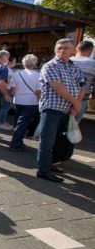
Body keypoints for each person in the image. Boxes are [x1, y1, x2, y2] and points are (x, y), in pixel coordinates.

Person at [37, 39, 85, 182]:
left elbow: (82, 86)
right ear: (55, 50)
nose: (62, 50)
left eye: (66, 48)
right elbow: (57, 86)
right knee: (47, 141)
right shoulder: (50, 65)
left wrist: (75, 105)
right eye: (59, 48)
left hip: (67, 110)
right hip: (52, 109)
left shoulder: (74, 66)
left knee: (60, 141)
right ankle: (43, 171)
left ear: (73, 50)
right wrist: (76, 103)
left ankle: (50, 164)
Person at [8, 54, 41, 151]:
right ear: (35, 63)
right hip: (31, 102)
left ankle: (18, 142)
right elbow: (38, 92)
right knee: (22, 124)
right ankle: (15, 144)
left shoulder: (17, 74)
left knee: (18, 122)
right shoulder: (38, 75)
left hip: (18, 101)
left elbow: (13, 90)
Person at [70, 40, 95, 123]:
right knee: (73, 125)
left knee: (58, 123)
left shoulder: (67, 61)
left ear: (76, 49)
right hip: (82, 99)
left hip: (62, 97)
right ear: (90, 50)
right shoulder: (93, 64)